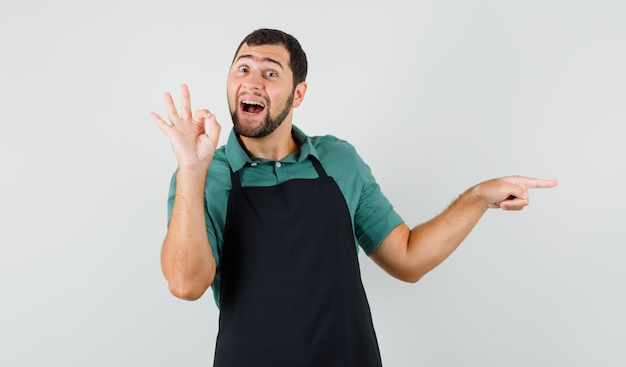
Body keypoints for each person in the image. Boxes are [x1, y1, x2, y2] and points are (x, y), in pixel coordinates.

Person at [150, 28, 557, 366]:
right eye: (242, 68)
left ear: (298, 94)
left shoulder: (339, 161)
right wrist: (191, 168)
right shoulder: (205, 175)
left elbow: (408, 258)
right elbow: (186, 284)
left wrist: (477, 198)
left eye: (270, 73)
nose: (252, 81)